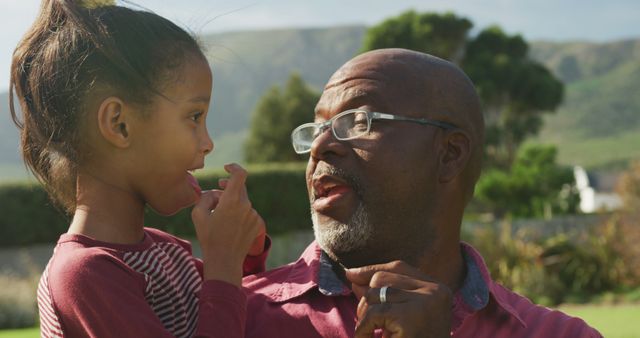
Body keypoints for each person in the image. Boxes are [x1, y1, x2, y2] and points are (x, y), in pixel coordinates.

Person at [243, 48, 602, 337]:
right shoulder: (237, 316)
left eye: (358, 121)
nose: (320, 146)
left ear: (450, 154)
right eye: (318, 128)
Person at [10, 1, 267, 337]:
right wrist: (223, 262)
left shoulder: (167, 251)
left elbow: (234, 315)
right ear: (120, 125)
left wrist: (245, 251)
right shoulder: (84, 275)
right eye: (194, 117)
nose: (208, 143)